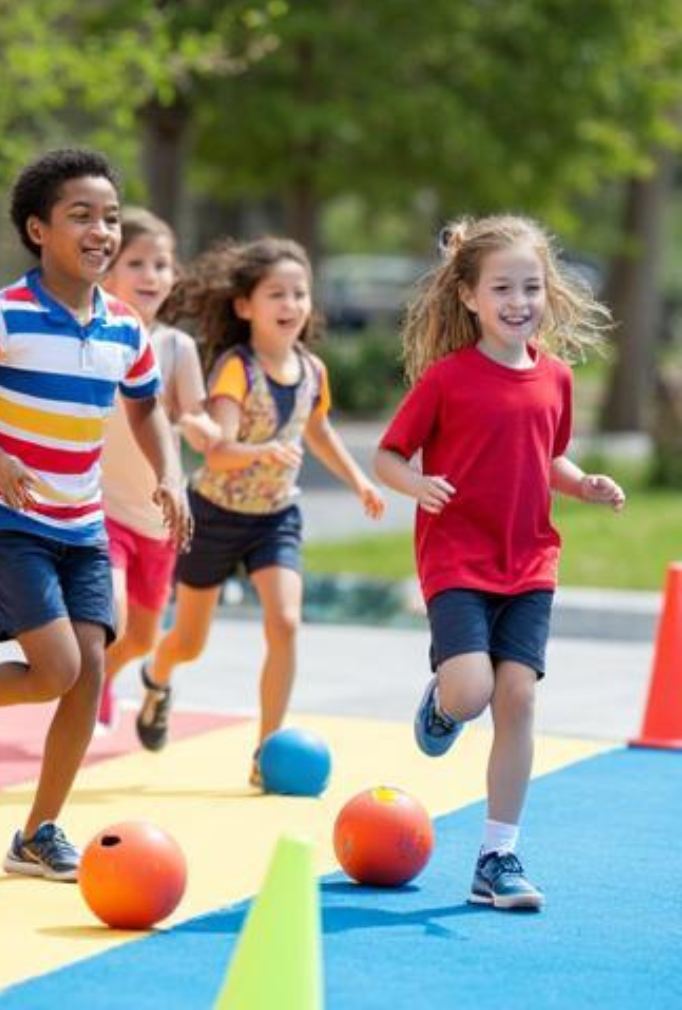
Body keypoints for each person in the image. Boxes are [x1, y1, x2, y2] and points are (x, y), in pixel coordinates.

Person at [0, 149, 191, 882]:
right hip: (5, 519)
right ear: (38, 229)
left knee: (87, 671)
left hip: (80, 523)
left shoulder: (123, 326)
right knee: (56, 667)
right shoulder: (4, 314)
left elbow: (147, 406)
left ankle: (37, 832)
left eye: (111, 217)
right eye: (81, 215)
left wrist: (170, 475)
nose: (101, 230)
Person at [372, 214, 625, 910]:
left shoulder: (558, 379)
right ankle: (444, 704)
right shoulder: (447, 381)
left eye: (532, 287)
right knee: (472, 693)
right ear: (469, 298)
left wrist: (584, 484)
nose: (519, 301)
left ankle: (497, 857)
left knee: (519, 699)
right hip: (456, 557)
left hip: (530, 561)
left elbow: (548, 457)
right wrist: (415, 484)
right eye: (503, 288)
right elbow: (388, 455)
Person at [134, 236, 385, 783]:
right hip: (215, 516)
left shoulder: (313, 371)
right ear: (245, 306)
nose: (291, 304)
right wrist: (262, 452)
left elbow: (317, 432)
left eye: (301, 293)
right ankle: (157, 673)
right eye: (277, 293)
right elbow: (217, 452)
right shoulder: (234, 369)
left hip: (275, 518)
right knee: (190, 643)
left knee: (287, 623)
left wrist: (360, 481)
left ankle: (264, 752)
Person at [97, 207, 219, 730]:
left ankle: (101, 678)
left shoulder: (176, 347)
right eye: (137, 263)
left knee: (143, 638)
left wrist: (204, 430)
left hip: (162, 516)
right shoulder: (95, 336)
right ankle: (84, 691)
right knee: (114, 616)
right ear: (107, 273)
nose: (151, 276)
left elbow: (195, 412)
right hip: (104, 509)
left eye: (162, 265)